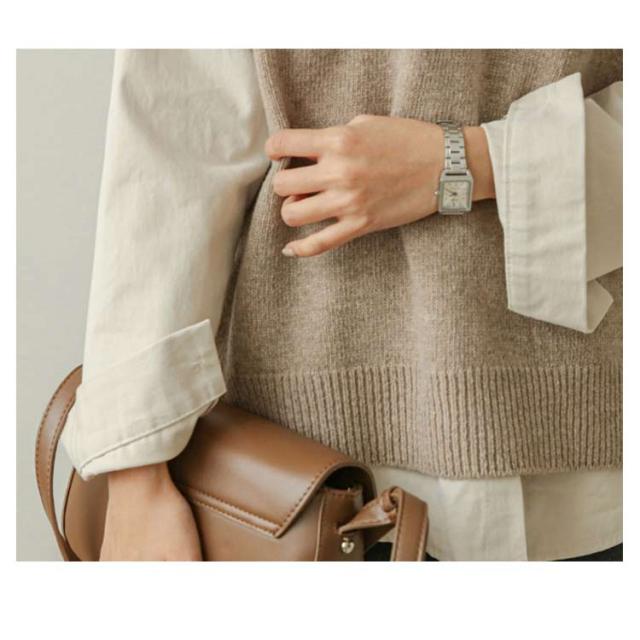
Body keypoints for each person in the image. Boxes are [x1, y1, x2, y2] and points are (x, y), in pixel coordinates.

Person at [61, 49, 623, 561]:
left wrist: (470, 161)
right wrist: (136, 481)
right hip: (298, 493)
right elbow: (176, 141)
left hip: (598, 476)